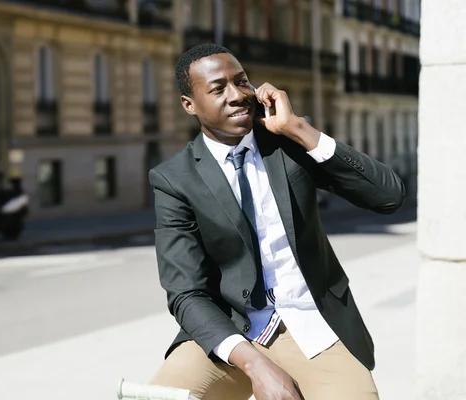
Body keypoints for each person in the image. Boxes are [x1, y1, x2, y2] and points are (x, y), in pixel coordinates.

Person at [148, 43, 405, 400]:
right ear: (189, 105)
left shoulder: (287, 143)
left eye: (242, 82)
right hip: (232, 331)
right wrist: (255, 364)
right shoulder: (175, 179)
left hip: (313, 323)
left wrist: (299, 129)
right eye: (218, 89)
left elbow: (388, 196)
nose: (238, 96)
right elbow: (186, 292)